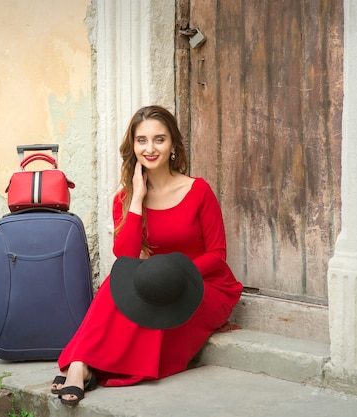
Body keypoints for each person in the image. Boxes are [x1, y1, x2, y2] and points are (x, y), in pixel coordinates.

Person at [51, 105, 243, 406]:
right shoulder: (126, 198)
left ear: (173, 146)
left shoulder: (198, 190)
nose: (150, 148)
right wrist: (137, 199)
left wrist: (172, 276)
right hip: (151, 281)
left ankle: (84, 365)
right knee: (118, 283)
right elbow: (125, 258)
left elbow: (217, 255)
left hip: (201, 284)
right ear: (133, 146)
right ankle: (79, 366)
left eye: (159, 139)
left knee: (152, 307)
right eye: (142, 140)